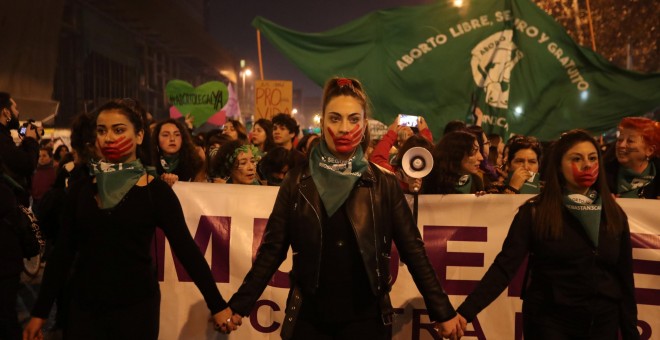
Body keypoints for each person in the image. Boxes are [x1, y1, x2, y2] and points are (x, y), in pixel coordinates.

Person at [227, 77, 463, 339]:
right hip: (309, 322)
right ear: (322, 122)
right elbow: (271, 252)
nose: (343, 128)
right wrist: (239, 306)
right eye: (335, 118)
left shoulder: (384, 184)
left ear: (363, 126)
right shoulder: (296, 182)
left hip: (367, 322)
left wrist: (443, 310)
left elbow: (414, 252)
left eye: (353, 119)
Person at [23, 98, 234, 340]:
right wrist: (39, 312)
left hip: (136, 310)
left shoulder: (156, 192)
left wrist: (217, 304)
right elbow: (63, 253)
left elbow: (187, 250)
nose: (109, 138)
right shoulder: (80, 190)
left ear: (140, 136)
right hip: (84, 309)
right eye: (102, 131)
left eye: (119, 130)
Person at [456, 129, 638, 339]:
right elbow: (504, 268)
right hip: (549, 323)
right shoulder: (535, 212)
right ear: (559, 166)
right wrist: (465, 313)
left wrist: (630, 333)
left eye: (592, 158)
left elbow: (625, 279)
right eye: (576, 159)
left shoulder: (614, 214)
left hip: (603, 324)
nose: (587, 165)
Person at [605, 117, 659, 199]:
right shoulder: (602, 175)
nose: (621, 145)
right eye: (620, 139)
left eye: (630, 141)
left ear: (649, 150)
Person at [151, 118, 205, 186]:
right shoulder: (149, 164)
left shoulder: (195, 162)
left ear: (183, 138)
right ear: (157, 138)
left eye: (177, 135)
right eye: (165, 135)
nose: (172, 139)